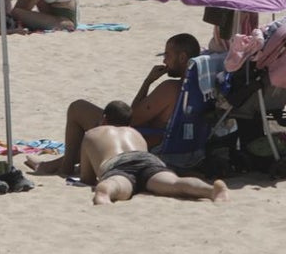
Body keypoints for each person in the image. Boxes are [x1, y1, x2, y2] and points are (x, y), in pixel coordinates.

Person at [25, 33, 200, 177]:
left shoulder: (170, 88)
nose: (164, 62)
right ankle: (55, 165)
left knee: (77, 108)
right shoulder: (199, 88)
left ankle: (65, 167)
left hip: (146, 141)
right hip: (178, 145)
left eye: (167, 56)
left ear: (183, 57)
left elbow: (133, 117)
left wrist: (147, 82)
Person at [81, 101, 229, 205]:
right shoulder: (135, 133)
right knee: (174, 183)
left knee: (117, 184)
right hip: (148, 160)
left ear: (104, 119)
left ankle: (104, 192)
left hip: (117, 164)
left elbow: (87, 177)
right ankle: (211, 190)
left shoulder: (92, 134)